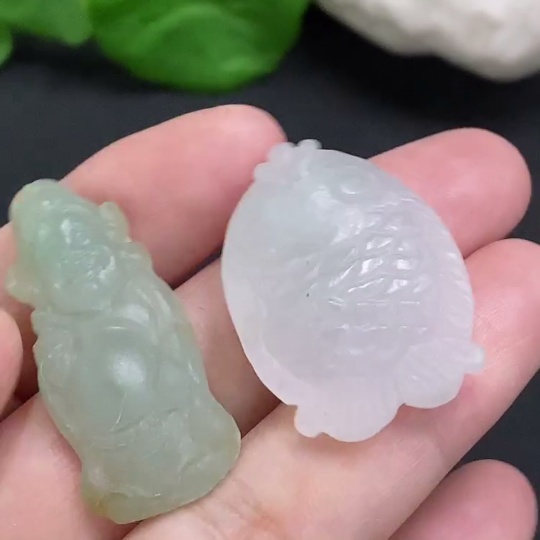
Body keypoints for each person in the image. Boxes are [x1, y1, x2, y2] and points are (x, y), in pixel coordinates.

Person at [0, 105, 537, 540]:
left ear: (111, 235)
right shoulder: (69, 335)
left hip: (200, 421)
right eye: (59, 257)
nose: (81, 262)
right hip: (128, 443)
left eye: (84, 241)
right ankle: (139, 468)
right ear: (32, 281)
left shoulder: (142, 294)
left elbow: (180, 355)